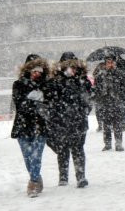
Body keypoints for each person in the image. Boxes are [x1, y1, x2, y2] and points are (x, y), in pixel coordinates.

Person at [46, 52, 92, 188]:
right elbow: (51, 101)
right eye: (68, 67)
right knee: (63, 149)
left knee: (78, 148)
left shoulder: (82, 80)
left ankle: (81, 176)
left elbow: (89, 98)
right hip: (61, 122)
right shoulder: (55, 82)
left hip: (78, 121)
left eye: (73, 67)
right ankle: (63, 177)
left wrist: (84, 110)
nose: (71, 70)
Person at [11, 55, 50, 197]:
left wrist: (33, 101)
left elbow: (49, 105)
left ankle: (33, 183)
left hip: (40, 126)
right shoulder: (18, 84)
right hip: (23, 126)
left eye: (40, 71)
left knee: (36, 156)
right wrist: (37, 100)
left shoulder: (47, 85)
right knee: (28, 158)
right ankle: (36, 176)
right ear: (28, 70)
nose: (37, 74)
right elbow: (20, 105)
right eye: (34, 70)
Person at [93, 54, 125, 151]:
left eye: (111, 62)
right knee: (106, 125)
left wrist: (122, 98)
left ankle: (118, 143)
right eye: (108, 62)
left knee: (117, 124)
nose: (109, 64)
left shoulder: (120, 74)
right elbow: (96, 88)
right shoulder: (101, 75)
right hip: (105, 102)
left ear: (114, 63)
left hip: (116, 102)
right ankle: (107, 144)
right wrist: (100, 98)